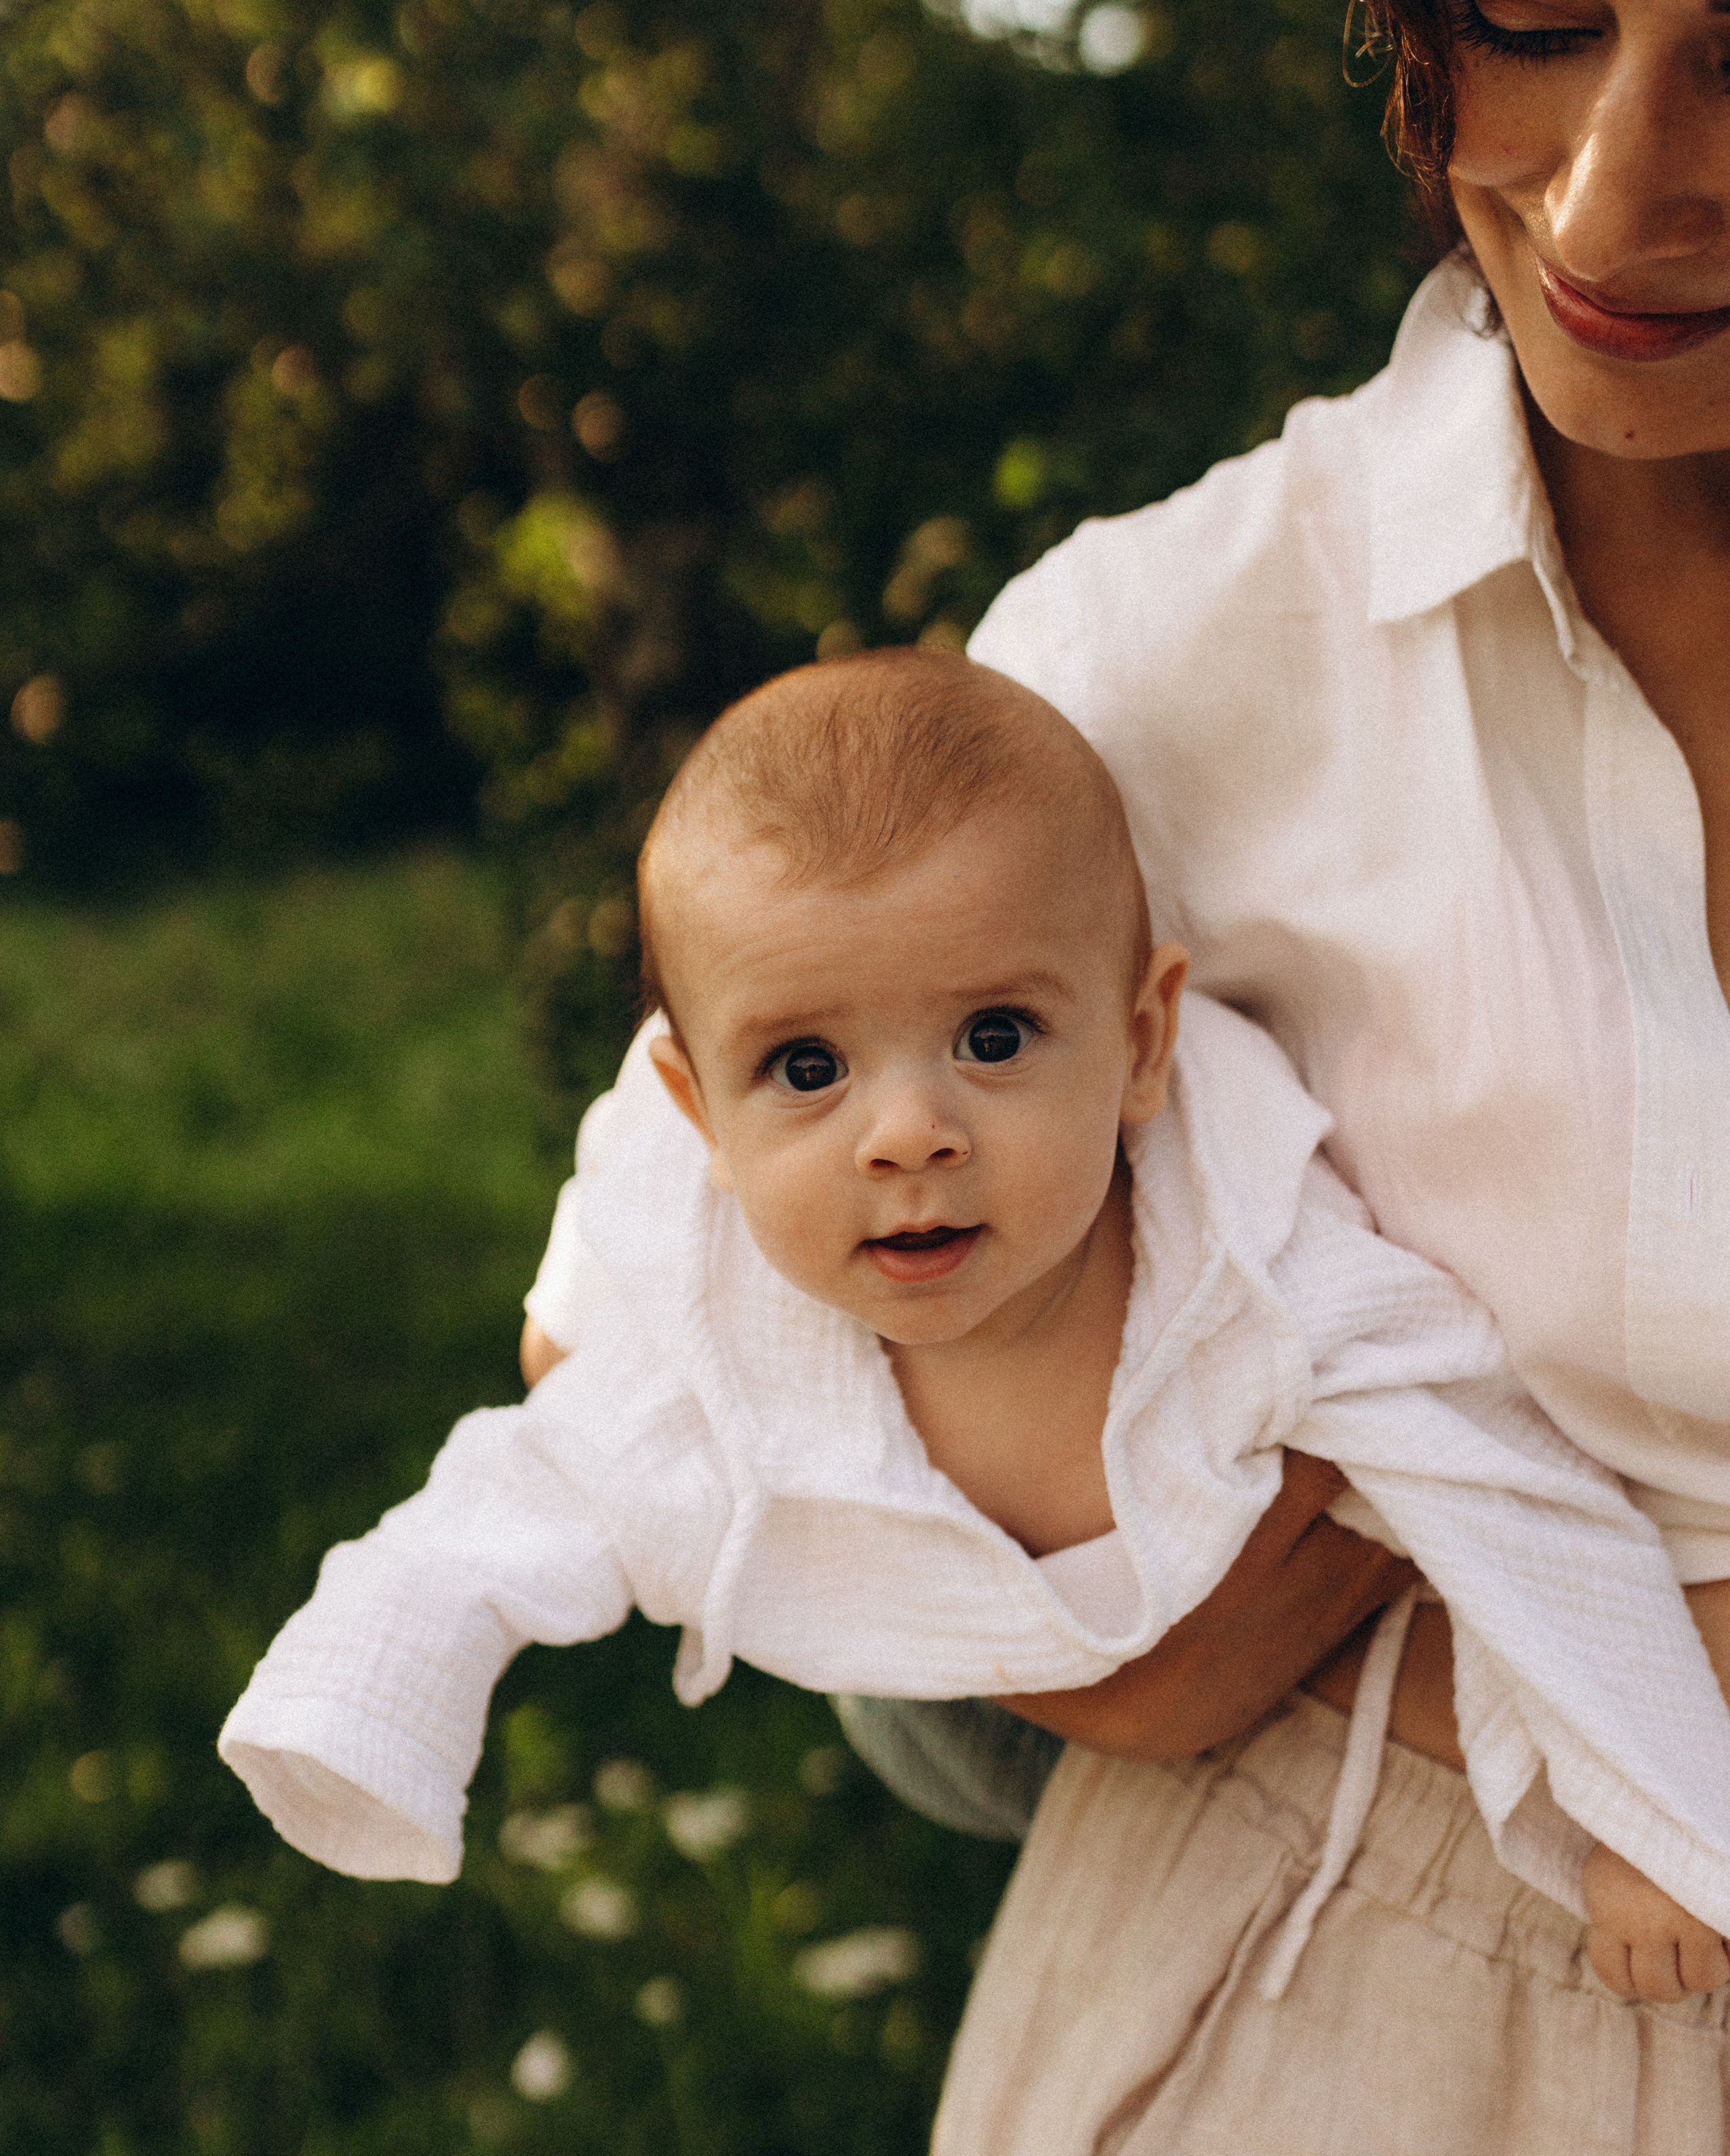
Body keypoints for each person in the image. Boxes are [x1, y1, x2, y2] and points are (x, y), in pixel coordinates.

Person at [904, 0, 1730, 2147]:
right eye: (1527, 19)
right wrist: (1086, 1634)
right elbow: (692, 1346)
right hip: (1347, 2010)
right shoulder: (1160, 662)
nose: (1615, 196)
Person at [218, 654, 1730, 2007]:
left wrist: (1653, 1820)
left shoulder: (1265, 1279)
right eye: (805, 1066)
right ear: (697, 1114)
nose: (908, 1133)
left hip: (1215, 1676)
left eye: (993, 1039)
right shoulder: (712, 1333)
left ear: (1140, 1046)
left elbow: (1518, 1508)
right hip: (934, 1696)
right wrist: (366, 1711)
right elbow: (501, 1506)